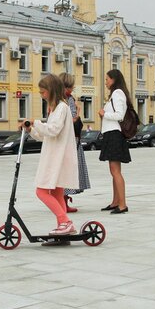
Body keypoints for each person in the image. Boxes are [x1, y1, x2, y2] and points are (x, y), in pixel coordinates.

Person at [21, 74, 80, 243]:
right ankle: (63, 229)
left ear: (51, 91)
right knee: (57, 193)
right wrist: (31, 129)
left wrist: (35, 121)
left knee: (41, 191)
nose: (42, 95)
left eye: (43, 92)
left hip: (57, 158)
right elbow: (46, 135)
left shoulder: (62, 107)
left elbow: (53, 130)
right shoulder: (55, 109)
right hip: (55, 156)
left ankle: (65, 222)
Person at [98, 69, 131, 214]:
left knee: (115, 171)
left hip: (114, 134)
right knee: (114, 171)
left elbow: (119, 115)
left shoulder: (118, 93)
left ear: (114, 79)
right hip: (111, 134)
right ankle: (115, 201)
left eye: (107, 79)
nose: (105, 82)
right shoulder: (116, 94)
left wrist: (104, 113)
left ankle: (122, 204)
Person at [59, 72, 90, 213]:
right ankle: (63, 204)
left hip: (64, 140)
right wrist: (77, 112)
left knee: (63, 173)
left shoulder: (57, 99)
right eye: (70, 87)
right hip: (70, 141)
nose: (71, 89)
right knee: (68, 172)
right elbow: (71, 120)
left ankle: (63, 202)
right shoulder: (67, 100)